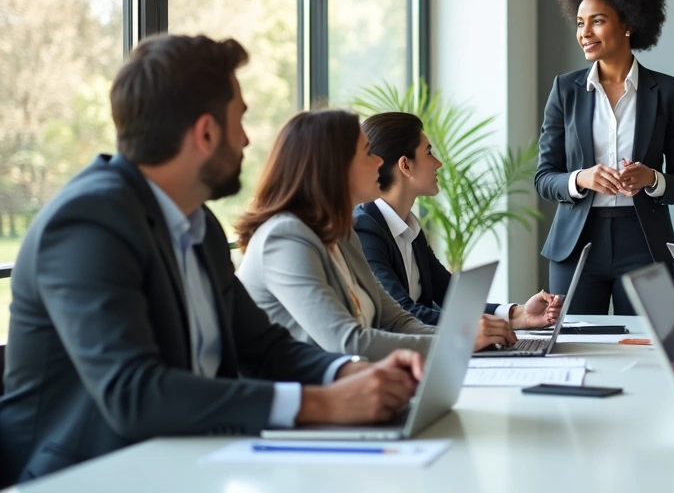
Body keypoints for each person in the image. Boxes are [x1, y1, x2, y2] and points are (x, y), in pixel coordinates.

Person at [0, 35, 423, 486]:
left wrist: (348, 371)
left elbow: (264, 347)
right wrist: (323, 403)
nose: (246, 139)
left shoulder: (197, 222)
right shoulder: (89, 223)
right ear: (205, 133)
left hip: (192, 462)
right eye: (239, 119)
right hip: (88, 476)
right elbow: (133, 392)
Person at [235, 110, 518, 360]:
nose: (380, 161)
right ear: (335, 167)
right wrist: (456, 342)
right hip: (304, 397)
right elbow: (349, 341)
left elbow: (397, 320)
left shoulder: (343, 233)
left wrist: (460, 339)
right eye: (368, 153)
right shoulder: (285, 238)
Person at [536, 0, 674, 315]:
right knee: (574, 343)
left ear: (628, 24)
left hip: (644, 244)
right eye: (580, 23)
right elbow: (544, 178)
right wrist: (582, 178)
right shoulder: (565, 90)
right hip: (576, 244)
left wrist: (651, 178)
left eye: (597, 21)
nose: (584, 33)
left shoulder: (668, 92)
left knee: (652, 342)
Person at [354, 112, 561, 328]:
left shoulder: (409, 228)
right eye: (428, 152)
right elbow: (401, 313)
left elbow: (450, 294)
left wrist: (519, 314)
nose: (438, 163)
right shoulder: (366, 230)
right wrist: (475, 327)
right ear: (405, 165)